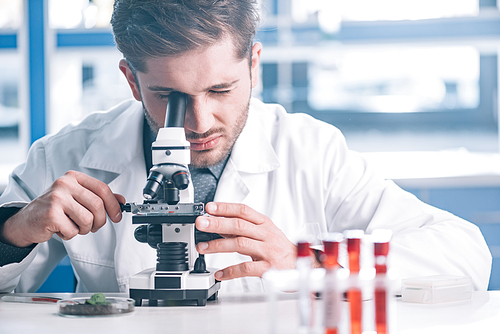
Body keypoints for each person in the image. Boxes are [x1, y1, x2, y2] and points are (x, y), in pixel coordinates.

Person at [0, 0, 491, 294]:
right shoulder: (70, 155)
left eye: (220, 91)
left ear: (253, 64)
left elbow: (466, 254)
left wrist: (310, 263)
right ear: (131, 80)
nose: (198, 123)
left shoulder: (311, 153)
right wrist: (13, 230)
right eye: (169, 97)